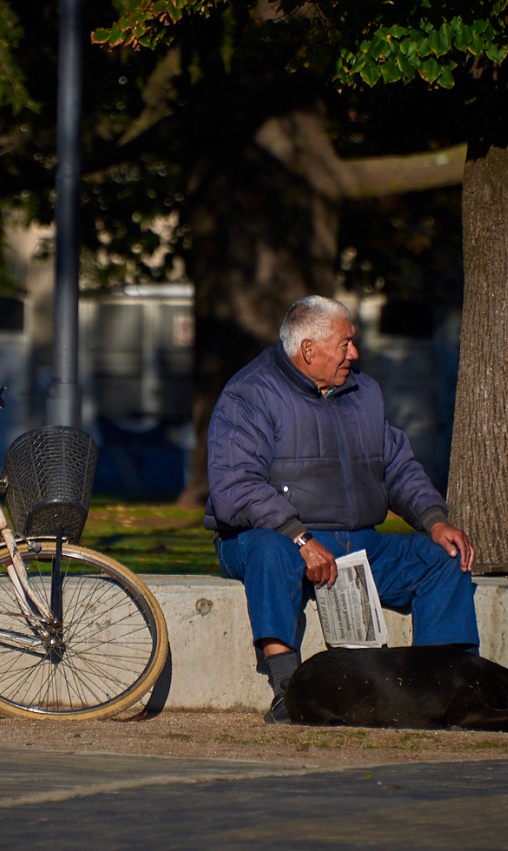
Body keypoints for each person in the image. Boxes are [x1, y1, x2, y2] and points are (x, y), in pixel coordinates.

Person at [204, 295, 479, 723]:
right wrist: (299, 536)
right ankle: (288, 690)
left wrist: (434, 519)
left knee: (443, 560)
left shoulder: (364, 392)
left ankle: (446, 689)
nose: (355, 353)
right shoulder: (250, 393)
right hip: (277, 539)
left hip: (358, 544)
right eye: (345, 343)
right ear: (308, 349)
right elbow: (235, 486)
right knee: (269, 551)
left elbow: (396, 467)